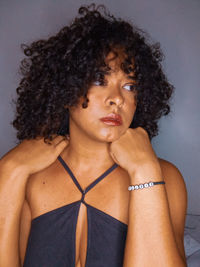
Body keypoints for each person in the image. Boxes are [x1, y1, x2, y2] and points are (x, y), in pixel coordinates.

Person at [0, 3, 187, 267]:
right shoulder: (30, 175)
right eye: (100, 80)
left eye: (130, 86)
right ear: (66, 87)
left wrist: (144, 171)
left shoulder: (165, 178)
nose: (117, 99)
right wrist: (9, 171)